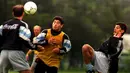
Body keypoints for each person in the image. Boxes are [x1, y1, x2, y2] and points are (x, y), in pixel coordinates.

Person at [0, 4, 38, 73]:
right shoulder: (22, 25)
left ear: (13, 13)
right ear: (23, 13)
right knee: (26, 71)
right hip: (16, 52)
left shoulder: (4, 24)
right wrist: (35, 47)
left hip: (3, 52)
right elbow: (25, 40)